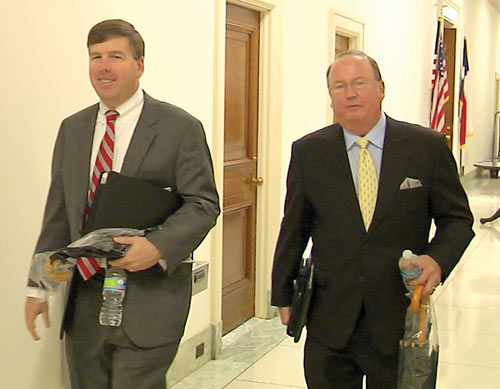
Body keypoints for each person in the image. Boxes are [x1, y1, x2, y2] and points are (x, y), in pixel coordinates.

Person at [24, 19, 220, 389]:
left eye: (115, 56)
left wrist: (158, 245)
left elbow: (204, 203)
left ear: (139, 65)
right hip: (85, 301)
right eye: (95, 57)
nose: (104, 66)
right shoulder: (73, 129)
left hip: (150, 300)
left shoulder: (179, 128)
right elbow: (58, 214)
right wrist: (40, 286)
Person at [271, 50, 474, 388]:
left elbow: (457, 220)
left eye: (359, 83)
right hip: (330, 319)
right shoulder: (309, 152)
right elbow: (293, 227)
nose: (350, 93)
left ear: (381, 88)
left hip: (401, 317)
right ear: (331, 97)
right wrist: (282, 293)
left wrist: (437, 261)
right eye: (339, 86)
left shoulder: (427, 147)